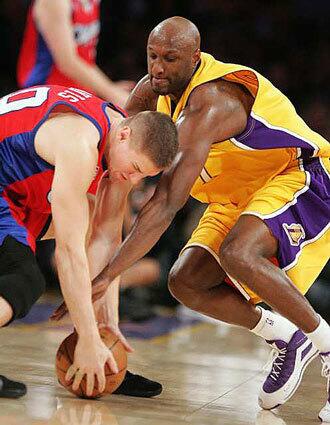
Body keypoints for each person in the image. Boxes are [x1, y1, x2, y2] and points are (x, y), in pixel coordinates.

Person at [53, 17, 330, 420]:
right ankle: (285, 336)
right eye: (152, 56)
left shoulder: (212, 102)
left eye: (170, 58)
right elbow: (113, 166)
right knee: (185, 282)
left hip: (297, 177)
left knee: (239, 253)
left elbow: (166, 203)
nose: (158, 68)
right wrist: (96, 248)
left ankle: (324, 342)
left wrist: (107, 276)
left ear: (195, 58)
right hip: (233, 196)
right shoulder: (152, 91)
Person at [0, 83, 178, 398]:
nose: (133, 180)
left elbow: (108, 237)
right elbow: (67, 253)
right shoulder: (81, 144)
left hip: (17, 190)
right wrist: (84, 335)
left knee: (90, 213)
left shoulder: (119, 135)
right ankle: (90, 344)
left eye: (143, 177)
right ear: (124, 136)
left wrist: (106, 322)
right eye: (135, 169)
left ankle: (103, 352)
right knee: (23, 280)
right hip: (9, 188)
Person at [17, 0, 131, 106]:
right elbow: (67, 62)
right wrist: (113, 94)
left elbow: (85, 60)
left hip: (76, 94)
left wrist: (109, 88)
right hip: (46, 97)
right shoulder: (55, 2)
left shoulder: (92, 2)